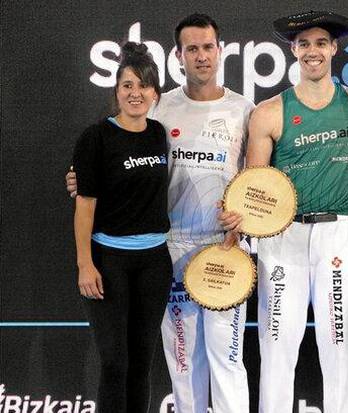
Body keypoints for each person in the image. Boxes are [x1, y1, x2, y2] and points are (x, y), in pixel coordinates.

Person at [68, 14, 255, 413]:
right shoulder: (160, 108)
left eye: (208, 47)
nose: (201, 56)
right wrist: (81, 179)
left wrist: (244, 217)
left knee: (227, 362)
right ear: (179, 56)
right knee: (183, 365)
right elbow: (119, 155)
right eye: (192, 49)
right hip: (170, 251)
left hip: (224, 250)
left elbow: (255, 181)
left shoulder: (243, 108)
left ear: (220, 51)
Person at [233, 10, 348, 413]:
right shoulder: (270, 111)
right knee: (277, 346)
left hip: (340, 234)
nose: (313, 51)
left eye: (321, 43)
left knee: (340, 346)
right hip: (284, 237)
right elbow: (254, 186)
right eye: (305, 44)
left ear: (334, 48)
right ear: (293, 50)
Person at [72, 42, 171, 413]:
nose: (135, 93)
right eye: (128, 85)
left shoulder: (158, 134)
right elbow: (85, 204)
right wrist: (85, 263)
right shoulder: (96, 137)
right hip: (108, 261)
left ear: (155, 93)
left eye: (144, 85)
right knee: (115, 363)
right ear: (116, 91)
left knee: (141, 363)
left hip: (154, 263)